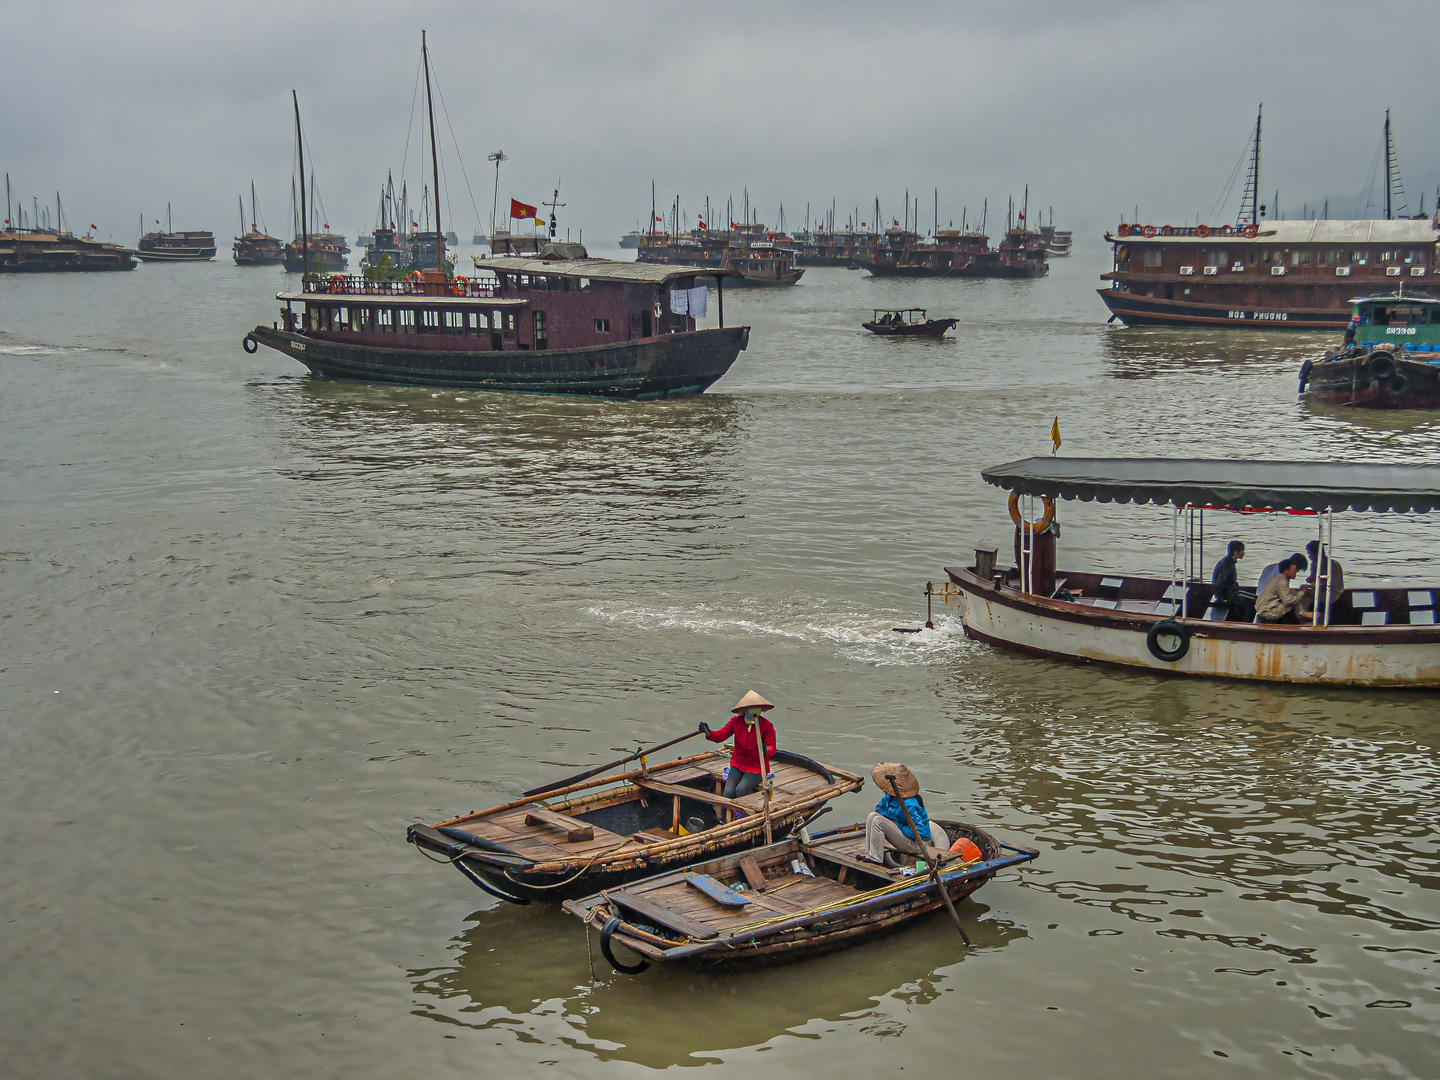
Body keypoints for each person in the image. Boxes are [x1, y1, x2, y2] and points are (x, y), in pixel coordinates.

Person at [861, 762, 949, 867]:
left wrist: (896, 823)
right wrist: (892, 819)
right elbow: (879, 808)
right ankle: (869, 855)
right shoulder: (890, 797)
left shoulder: (909, 805)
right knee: (872, 816)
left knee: (878, 821)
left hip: (917, 844)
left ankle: (876, 858)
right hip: (904, 835)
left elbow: (919, 832)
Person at [698, 690, 777, 800]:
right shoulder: (736, 721)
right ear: (744, 710)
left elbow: (772, 747)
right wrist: (709, 733)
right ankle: (725, 817)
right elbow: (721, 735)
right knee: (728, 793)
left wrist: (765, 750)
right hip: (738, 764)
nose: (754, 712)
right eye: (751, 709)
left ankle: (744, 815)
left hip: (756, 767)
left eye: (757, 708)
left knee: (741, 790)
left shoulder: (766, 725)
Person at [1255, 555, 1312, 624]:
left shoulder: (1277, 576)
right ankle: (1301, 614)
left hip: (1263, 602)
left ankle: (1301, 613)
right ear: (1287, 570)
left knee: (1294, 593)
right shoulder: (1281, 580)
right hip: (1268, 608)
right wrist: (1302, 592)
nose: (1296, 572)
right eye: (1295, 570)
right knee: (1292, 601)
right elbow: (1287, 600)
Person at [1210, 540, 1255, 621]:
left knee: (1256, 598)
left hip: (1231, 592)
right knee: (1252, 602)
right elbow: (1219, 584)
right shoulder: (1226, 565)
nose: (1243, 553)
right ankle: (1247, 624)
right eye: (1242, 550)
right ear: (1236, 552)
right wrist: (1223, 598)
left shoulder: (1230, 562)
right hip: (1226, 596)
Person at [1305, 540, 1344, 621]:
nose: (1309, 556)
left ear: (1316, 553)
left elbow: (1334, 586)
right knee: (1303, 590)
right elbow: (1314, 581)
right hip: (1319, 592)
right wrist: (1311, 580)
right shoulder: (1314, 564)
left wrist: (1322, 584)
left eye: (1310, 554)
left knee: (1305, 592)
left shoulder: (1333, 566)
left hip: (1332, 596)